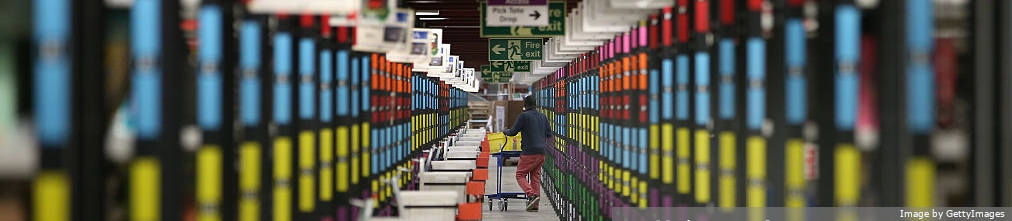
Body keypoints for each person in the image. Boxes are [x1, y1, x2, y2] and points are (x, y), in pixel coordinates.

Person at [503, 95, 552, 212]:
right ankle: (535, 205)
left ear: (525, 105)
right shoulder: (543, 117)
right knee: (535, 177)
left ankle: (531, 195)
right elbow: (549, 134)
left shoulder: (524, 116)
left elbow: (513, 132)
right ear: (535, 104)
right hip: (541, 153)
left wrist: (504, 131)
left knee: (520, 175)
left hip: (529, 152)